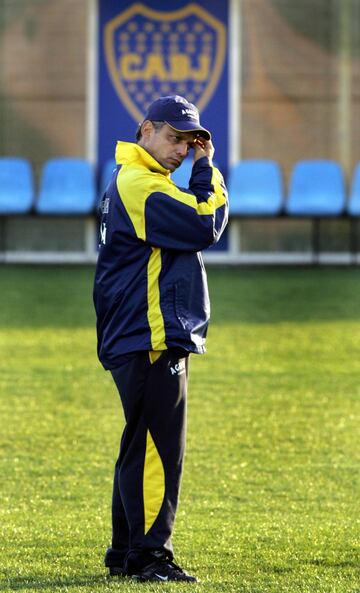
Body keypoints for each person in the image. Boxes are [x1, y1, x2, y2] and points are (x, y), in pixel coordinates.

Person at [93, 95, 228, 582]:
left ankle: (127, 552)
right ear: (145, 130)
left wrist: (194, 162)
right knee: (157, 447)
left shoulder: (137, 182)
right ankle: (151, 556)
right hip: (147, 335)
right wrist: (207, 166)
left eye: (189, 141)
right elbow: (204, 221)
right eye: (174, 138)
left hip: (136, 333)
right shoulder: (141, 184)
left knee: (139, 442)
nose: (181, 149)